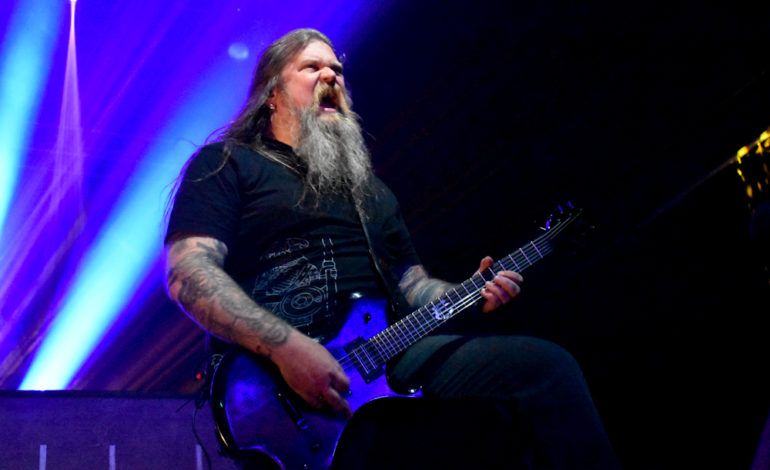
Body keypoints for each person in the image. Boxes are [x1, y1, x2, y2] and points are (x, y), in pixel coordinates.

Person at [164, 28, 620, 469]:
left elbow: (412, 285)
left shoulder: (372, 192)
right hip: (276, 382)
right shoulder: (229, 163)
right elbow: (189, 274)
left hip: (389, 356)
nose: (331, 76)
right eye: (311, 68)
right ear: (271, 94)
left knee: (540, 369)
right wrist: (288, 348)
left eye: (337, 69)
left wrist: (470, 290)